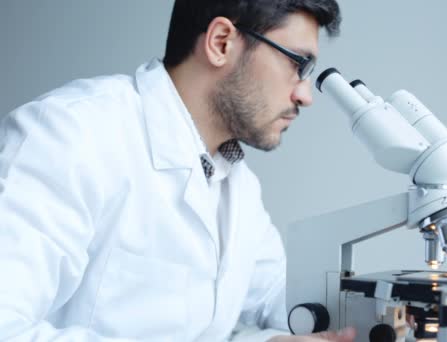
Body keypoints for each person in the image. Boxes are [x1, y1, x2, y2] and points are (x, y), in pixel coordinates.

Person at [0, 1, 355, 341]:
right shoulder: (71, 135)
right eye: (298, 64)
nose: (305, 95)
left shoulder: (237, 184)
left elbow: (278, 302)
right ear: (221, 43)